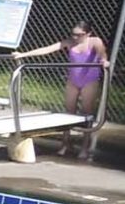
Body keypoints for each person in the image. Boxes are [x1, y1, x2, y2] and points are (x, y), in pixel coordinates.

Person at [16, 21, 109, 158]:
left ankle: (84, 147)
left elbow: (102, 54)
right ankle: (65, 144)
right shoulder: (69, 42)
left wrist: (104, 61)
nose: (75, 37)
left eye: (79, 35)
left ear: (88, 33)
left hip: (90, 80)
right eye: (73, 34)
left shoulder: (94, 41)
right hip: (73, 80)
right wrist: (23, 54)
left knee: (86, 114)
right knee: (68, 113)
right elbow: (47, 49)